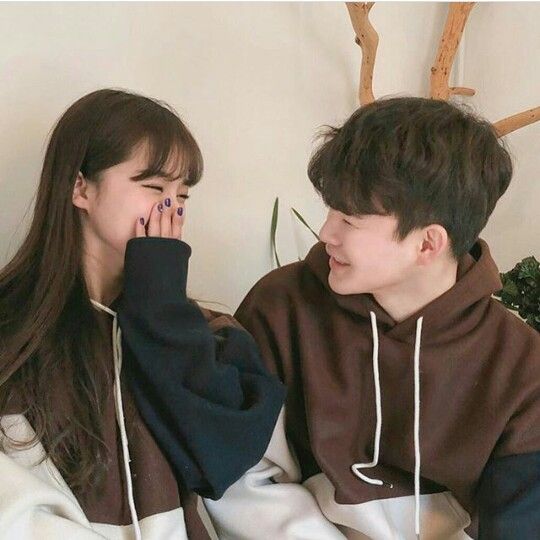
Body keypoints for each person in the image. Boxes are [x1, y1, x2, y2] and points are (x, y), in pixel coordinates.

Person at [204, 97, 540, 539]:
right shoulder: (280, 307)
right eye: (331, 210)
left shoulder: (522, 363)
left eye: (350, 219)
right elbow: (241, 477)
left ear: (428, 244)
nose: (326, 233)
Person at [0, 88, 285, 539]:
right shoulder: (13, 325)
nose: (170, 207)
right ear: (80, 188)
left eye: (183, 194)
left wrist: (161, 307)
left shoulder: (205, 332)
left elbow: (222, 462)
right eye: (153, 187)